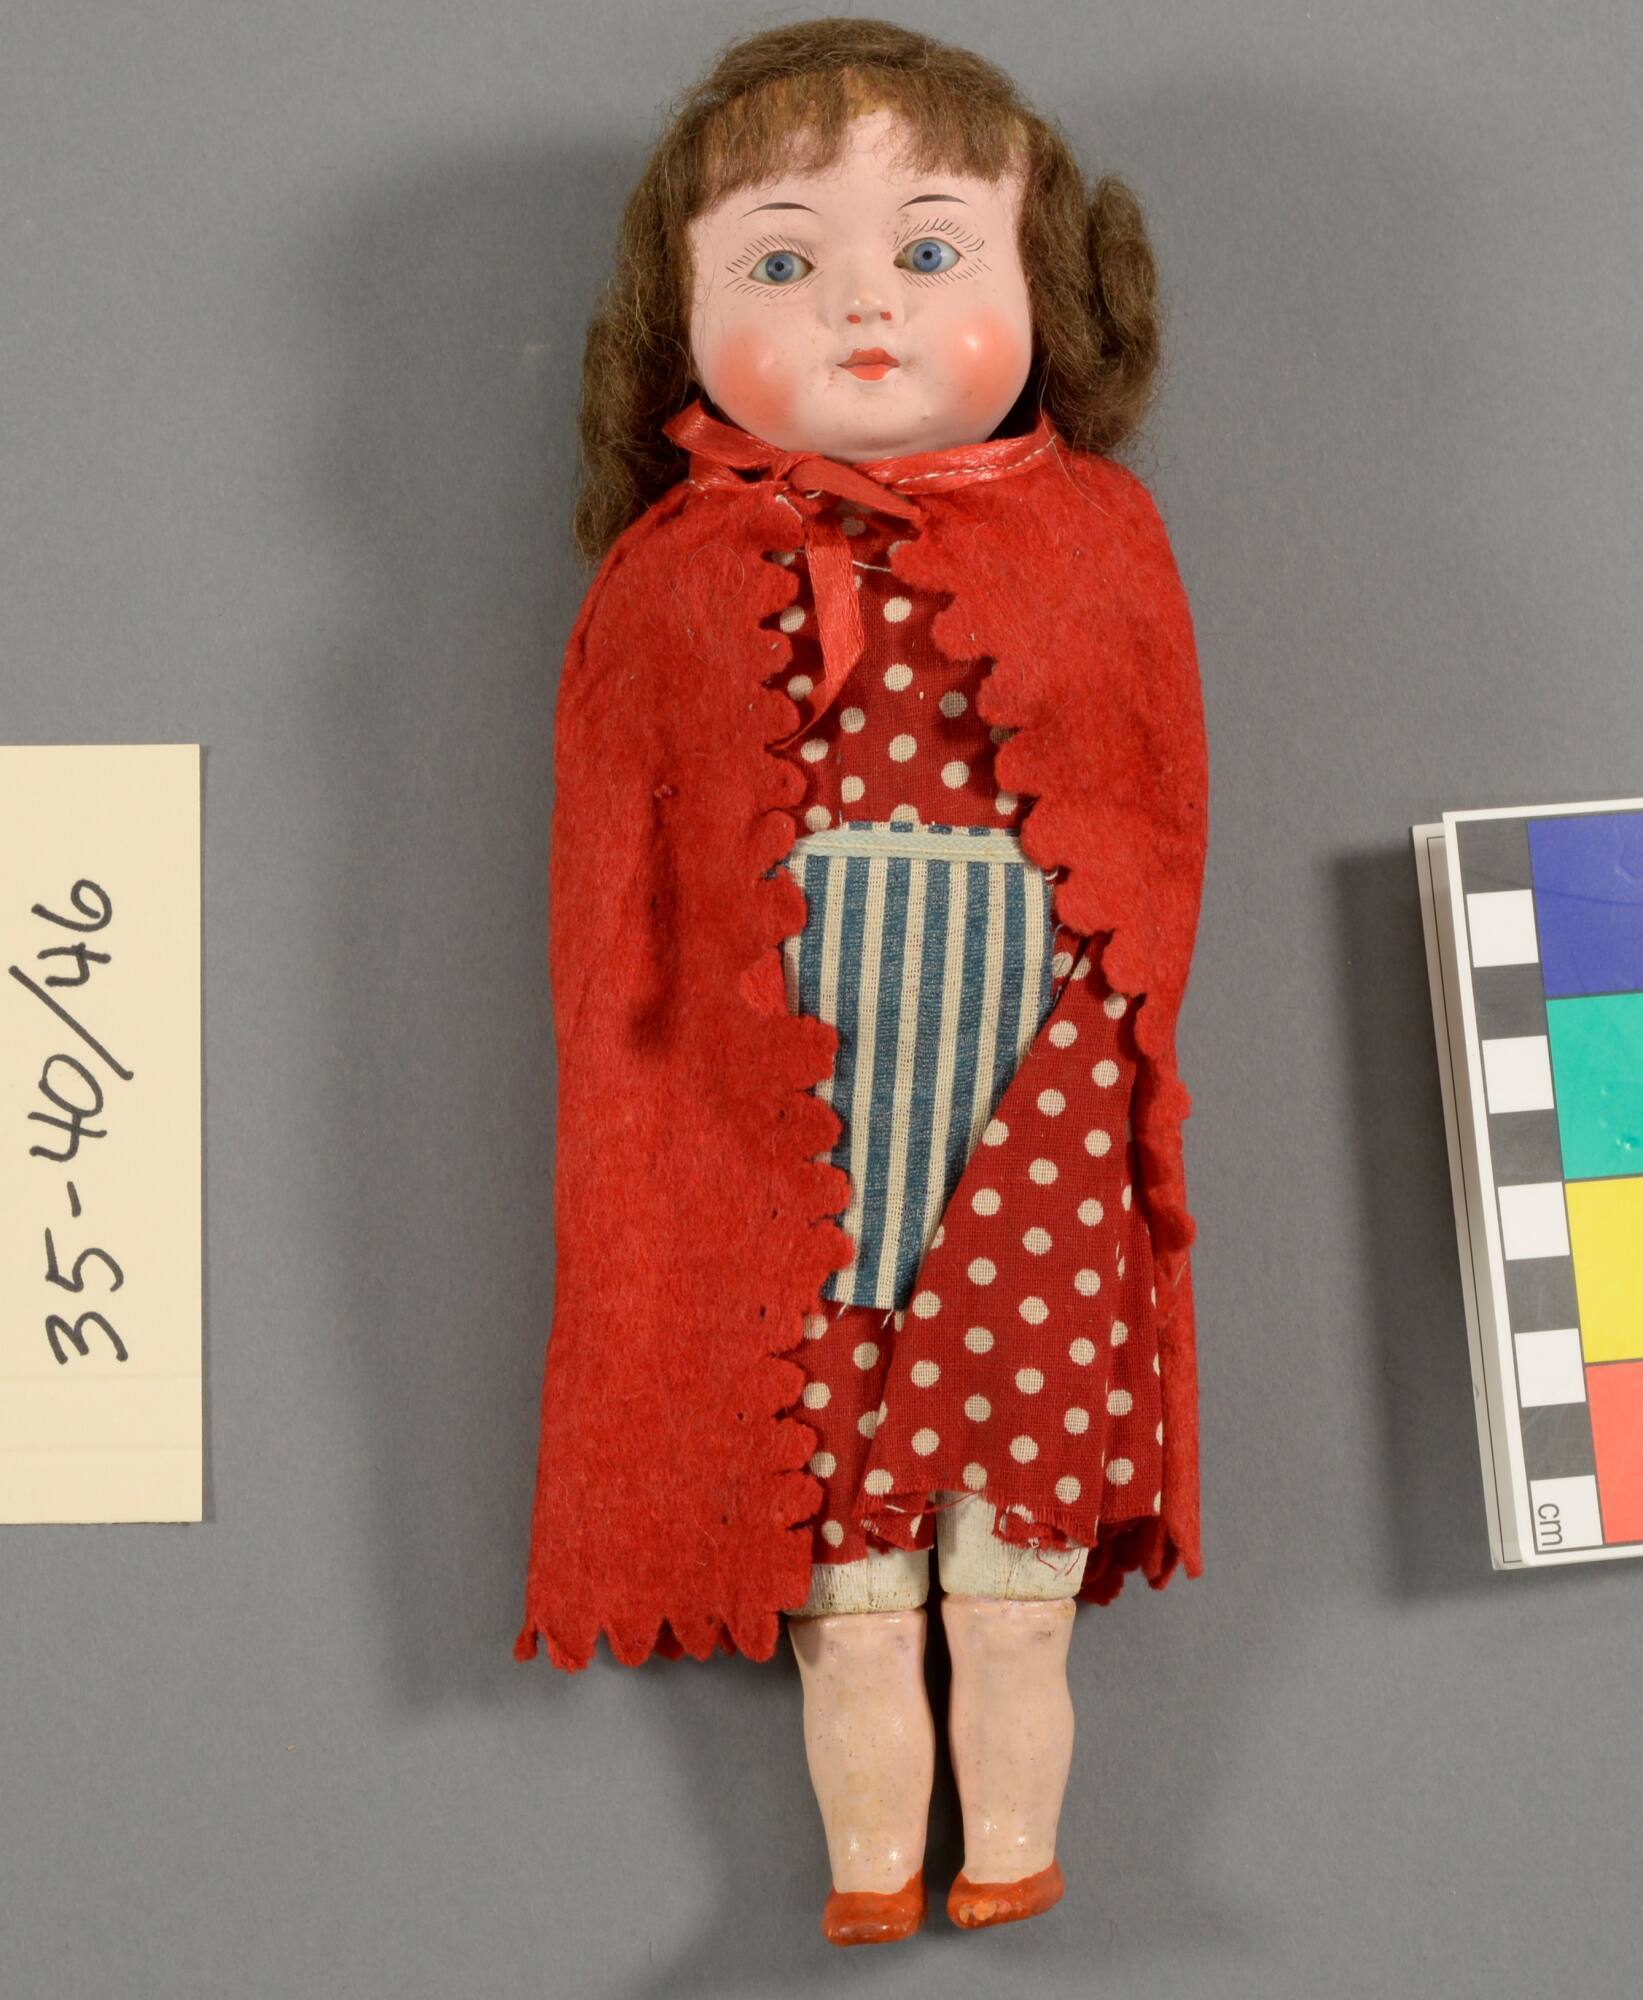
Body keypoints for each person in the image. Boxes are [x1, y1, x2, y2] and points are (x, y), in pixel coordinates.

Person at [516, 18, 1209, 1947]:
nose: (864, 306)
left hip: (1035, 1105)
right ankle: (867, 1874)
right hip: (772, 1126)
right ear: (675, 312)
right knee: (845, 1596)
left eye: (926, 248)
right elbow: (613, 909)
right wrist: (661, 1110)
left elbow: (1156, 843)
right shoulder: (666, 578)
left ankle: (1014, 1853)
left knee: (1014, 1588)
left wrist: (1106, 1052)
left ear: (1041, 280)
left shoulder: (1102, 544)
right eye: (781, 258)